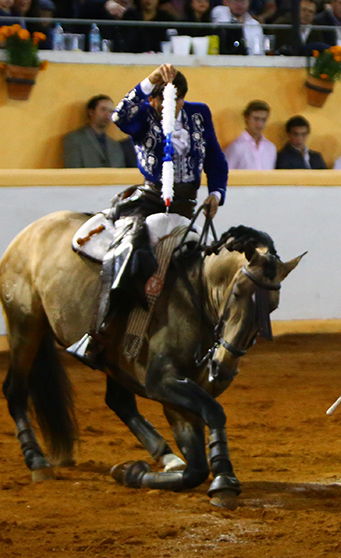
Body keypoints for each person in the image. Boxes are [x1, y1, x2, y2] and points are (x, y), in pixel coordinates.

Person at [67, 64, 228, 367]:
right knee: (130, 251)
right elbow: (118, 116)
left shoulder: (199, 114)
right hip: (149, 199)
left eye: (175, 99)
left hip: (186, 205)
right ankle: (101, 331)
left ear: (183, 98)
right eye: (159, 98)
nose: (167, 105)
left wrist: (216, 193)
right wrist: (149, 81)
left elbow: (216, 158)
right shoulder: (140, 114)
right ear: (151, 99)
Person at [63, 95, 128, 168]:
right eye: (103, 110)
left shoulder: (115, 145)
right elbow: (73, 170)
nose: (107, 115)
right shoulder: (74, 139)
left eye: (110, 111)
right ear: (91, 112)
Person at [224, 100, 277, 170]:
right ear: (247, 118)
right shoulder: (236, 147)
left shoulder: (270, 148)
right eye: (256, 119)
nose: (260, 124)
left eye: (263, 120)